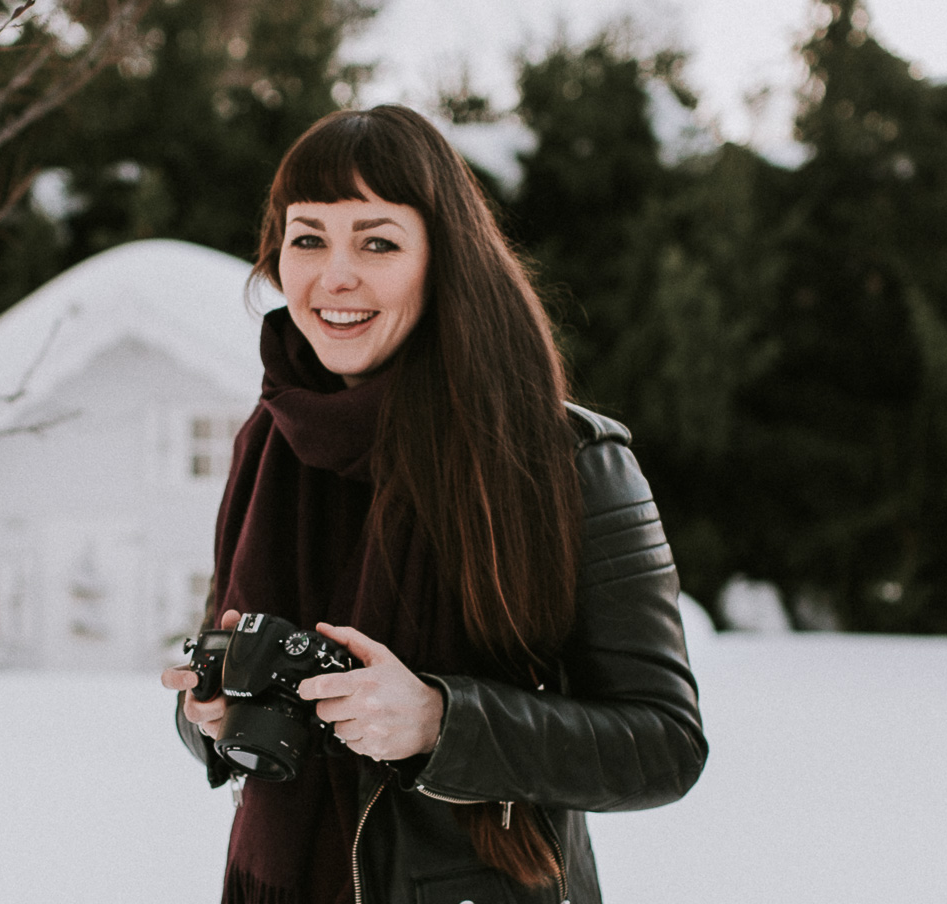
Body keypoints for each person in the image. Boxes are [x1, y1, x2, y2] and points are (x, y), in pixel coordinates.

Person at [159, 104, 706, 904]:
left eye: (377, 242)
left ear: (441, 260)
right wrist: (206, 715)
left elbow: (662, 744)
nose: (334, 275)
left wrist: (438, 723)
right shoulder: (267, 443)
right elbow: (237, 651)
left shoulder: (562, 461)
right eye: (308, 237)